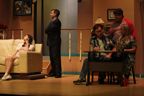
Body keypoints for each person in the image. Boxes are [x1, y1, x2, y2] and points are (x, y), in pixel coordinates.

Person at [45, 9, 62, 78]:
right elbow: (46, 30)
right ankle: (54, 71)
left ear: (55, 14)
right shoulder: (52, 22)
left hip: (55, 42)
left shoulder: (57, 22)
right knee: (52, 57)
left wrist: (49, 30)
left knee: (56, 57)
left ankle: (58, 72)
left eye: (51, 13)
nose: (50, 14)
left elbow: (50, 29)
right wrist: (49, 30)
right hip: (51, 42)